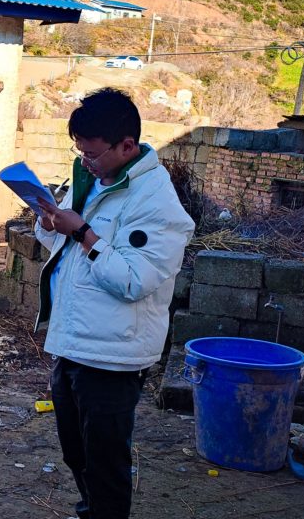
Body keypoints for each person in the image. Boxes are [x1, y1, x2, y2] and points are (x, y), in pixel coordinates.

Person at [33, 88, 194, 519]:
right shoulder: (93, 179)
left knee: (105, 464)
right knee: (76, 454)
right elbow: (61, 247)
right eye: (79, 151)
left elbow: (134, 280)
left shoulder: (156, 202)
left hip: (113, 354)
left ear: (127, 145)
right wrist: (50, 222)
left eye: (93, 153)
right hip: (72, 342)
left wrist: (83, 231)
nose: (85, 161)